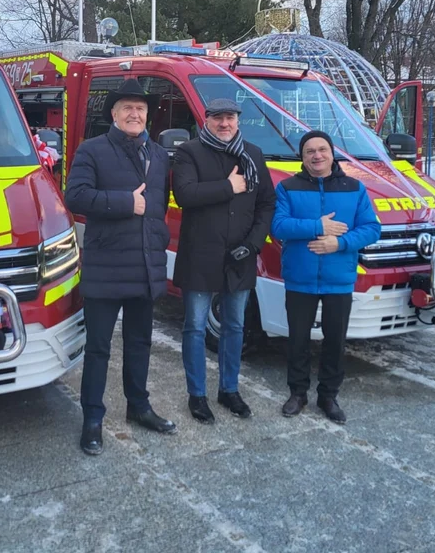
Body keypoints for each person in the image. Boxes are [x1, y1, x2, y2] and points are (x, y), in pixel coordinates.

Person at [64, 78, 176, 456]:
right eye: (127, 108)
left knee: (140, 343)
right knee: (98, 349)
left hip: (145, 266)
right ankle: (92, 418)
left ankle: (139, 406)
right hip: (106, 267)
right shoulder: (92, 150)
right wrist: (126, 203)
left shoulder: (159, 156)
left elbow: (159, 208)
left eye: (140, 109)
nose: (134, 113)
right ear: (113, 114)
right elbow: (75, 196)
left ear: (147, 115)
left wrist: (158, 239)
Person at [172, 98, 275, 423]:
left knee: (235, 327)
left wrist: (254, 244)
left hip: (240, 257)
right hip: (200, 256)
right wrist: (228, 186)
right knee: (195, 328)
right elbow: (185, 195)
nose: (224, 123)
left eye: (230, 117)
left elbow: (266, 204)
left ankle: (229, 390)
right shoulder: (189, 152)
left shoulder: (254, 155)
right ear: (207, 120)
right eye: (218, 118)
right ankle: (197, 395)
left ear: (238, 121)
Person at [271, 130, 380, 424]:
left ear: (332, 154)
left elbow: (371, 228)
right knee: (297, 340)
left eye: (322, 150)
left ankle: (329, 395)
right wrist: (317, 226)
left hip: (338, 278)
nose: (316, 156)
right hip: (300, 278)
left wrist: (339, 243)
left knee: (335, 340)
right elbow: (279, 226)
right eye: (310, 151)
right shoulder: (287, 187)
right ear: (302, 157)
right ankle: (298, 392)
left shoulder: (354, 188)